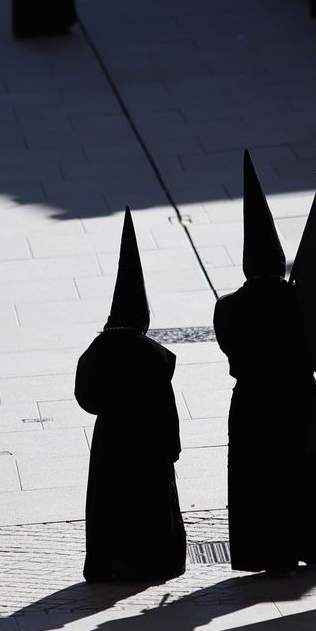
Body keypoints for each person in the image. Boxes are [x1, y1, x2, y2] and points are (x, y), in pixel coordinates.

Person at [215, 152, 316, 574]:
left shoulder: (227, 307)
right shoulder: (300, 300)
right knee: (305, 474)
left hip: (252, 405)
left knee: (259, 479)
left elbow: (230, 352)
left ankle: (265, 550)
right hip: (300, 400)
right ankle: (311, 541)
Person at [76, 209, 187, 582]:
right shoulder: (155, 355)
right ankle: (149, 563)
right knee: (147, 506)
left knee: (110, 503)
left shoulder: (97, 348)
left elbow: (85, 397)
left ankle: (112, 563)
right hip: (147, 445)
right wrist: (171, 449)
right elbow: (168, 412)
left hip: (111, 441)